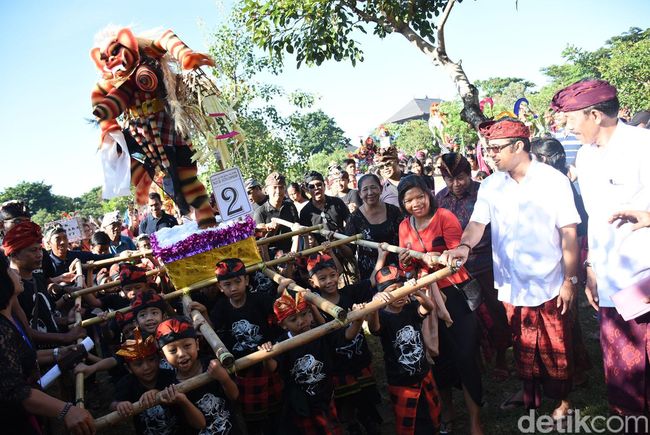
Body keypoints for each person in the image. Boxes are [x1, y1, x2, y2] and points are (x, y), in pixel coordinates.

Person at [440, 118, 581, 423]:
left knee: (556, 343)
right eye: (487, 148)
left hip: (550, 281)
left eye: (495, 148)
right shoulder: (491, 185)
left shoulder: (553, 181)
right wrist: (464, 246)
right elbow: (477, 224)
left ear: (519, 146)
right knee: (521, 342)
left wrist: (570, 280)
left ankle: (563, 398)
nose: (490, 154)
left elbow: (569, 232)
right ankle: (530, 393)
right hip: (511, 284)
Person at [551, 79, 650, 419]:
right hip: (612, 284)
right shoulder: (586, 158)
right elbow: (593, 217)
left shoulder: (644, 145)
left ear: (594, 114)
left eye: (571, 119)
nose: (567, 127)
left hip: (646, 280)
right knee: (623, 377)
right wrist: (590, 267)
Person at [397, 174, 484, 435]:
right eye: (408, 200)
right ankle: (447, 411)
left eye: (419, 196)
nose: (416, 203)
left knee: (466, 356)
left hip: (454, 294)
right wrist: (405, 262)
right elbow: (408, 268)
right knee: (438, 357)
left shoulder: (445, 216)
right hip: (426, 299)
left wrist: (439, 258)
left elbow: (458, 256)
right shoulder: (404, 227)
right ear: (402, 203)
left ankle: (475, 420)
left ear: (428, 193)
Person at [0, 252, 96, 435]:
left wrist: (58, 352)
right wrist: (66, 410)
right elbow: (15, 391)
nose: (15, 273)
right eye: (8, 269)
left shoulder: (9, 317)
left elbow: (18, 356)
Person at [435, 153, 511, 381]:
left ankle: (501, 356)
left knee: (497, 312)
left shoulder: (484, 192)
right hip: (458, 268)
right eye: (449, 179)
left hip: (489, 263)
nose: (455, 184)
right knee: (470, 314)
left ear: (469, 174)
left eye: (460, 177)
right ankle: (477, 357)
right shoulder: (440, 199)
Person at [306, 253, 383, 434]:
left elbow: (372, 280)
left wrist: (382, 254)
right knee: (346, 402)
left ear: (338, 274)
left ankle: (371, 423)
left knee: (366, 399)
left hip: (360, 359)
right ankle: (352, 426)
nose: (330, 281)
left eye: (332, 275)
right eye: (322, 278)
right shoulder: (314, 305)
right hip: (337, 366)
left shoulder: (349, 293)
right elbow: (327, 329)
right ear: (312, 283)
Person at [268, 291, 365, 434]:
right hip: (300, 401)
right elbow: (273, 367)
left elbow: (347, 335)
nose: (301, 321)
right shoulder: (282, 344)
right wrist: (267, 356)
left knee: (332, 429)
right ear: (283, 325)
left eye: (304, 314)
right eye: (293, 319)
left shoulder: (321, 332)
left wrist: (358, 319)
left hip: (325, 394)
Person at [209, 258, 282, 434]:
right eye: (227, 284)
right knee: (251, 416)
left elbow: (277, 324)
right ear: (220, 287)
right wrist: (202, 314)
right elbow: (214, 333)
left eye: (237, 282)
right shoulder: (220, 308)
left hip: (266, 360)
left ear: (247, 281)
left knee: (276, 410)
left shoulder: (260, 300)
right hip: (240, 368)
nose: (233, 288)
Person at [368, 266, 440, 435]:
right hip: (401, 380)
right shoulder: (383, 317)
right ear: (383, 295)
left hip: (423, 372)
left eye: (402, 289)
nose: (399, 295)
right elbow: (373, 328)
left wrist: (416, 291)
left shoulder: (410, 309)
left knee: (431, 412)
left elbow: (428, 307)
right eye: (393, 291)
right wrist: (373, 305)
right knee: (410, 423)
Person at [4, 221, 86, 345]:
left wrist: (66, 320)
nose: (39, 255)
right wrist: (66, 338)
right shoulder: (11, 289)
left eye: (40, 249)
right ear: (14, 254)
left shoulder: (38, 279)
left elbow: (47, 316)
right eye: (33, 250)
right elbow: (27, 332)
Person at [156, 317, 241, 434]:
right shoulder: (170, 386)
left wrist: (224, 378)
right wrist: (183, 401)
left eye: (187, 346)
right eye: (172, 351)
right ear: (163, 355)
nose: (181, 354)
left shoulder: (211, 365)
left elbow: (234, 395)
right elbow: (199, 424)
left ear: (197, 344)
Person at [111, 328, 205, 434]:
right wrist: (119, 405)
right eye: (138, 364)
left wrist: (158, 393)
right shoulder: (127, 383)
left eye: (151, 360)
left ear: (159, 358)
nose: (146, 367)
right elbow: (114, 404)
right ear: (128, 368)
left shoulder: (170, 376)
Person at [344, 173, 403, 281]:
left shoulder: (394, 211)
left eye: (373, 187)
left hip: (397, 269)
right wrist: (336, 243)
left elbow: (404, 237)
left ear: (381, 189)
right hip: (371, 274)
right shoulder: (354, 218)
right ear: (360, 194)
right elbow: (350, 251)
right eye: (365, 189)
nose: (370, 193)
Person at [253, 172, 300, 259]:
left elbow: (297, 229)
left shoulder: (290, 206)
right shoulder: (260, 213)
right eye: (274, 188)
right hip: (272, 258)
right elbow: (259, 245)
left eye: (281, 187)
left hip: (294, 252)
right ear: (266, 190)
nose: (278, 191)